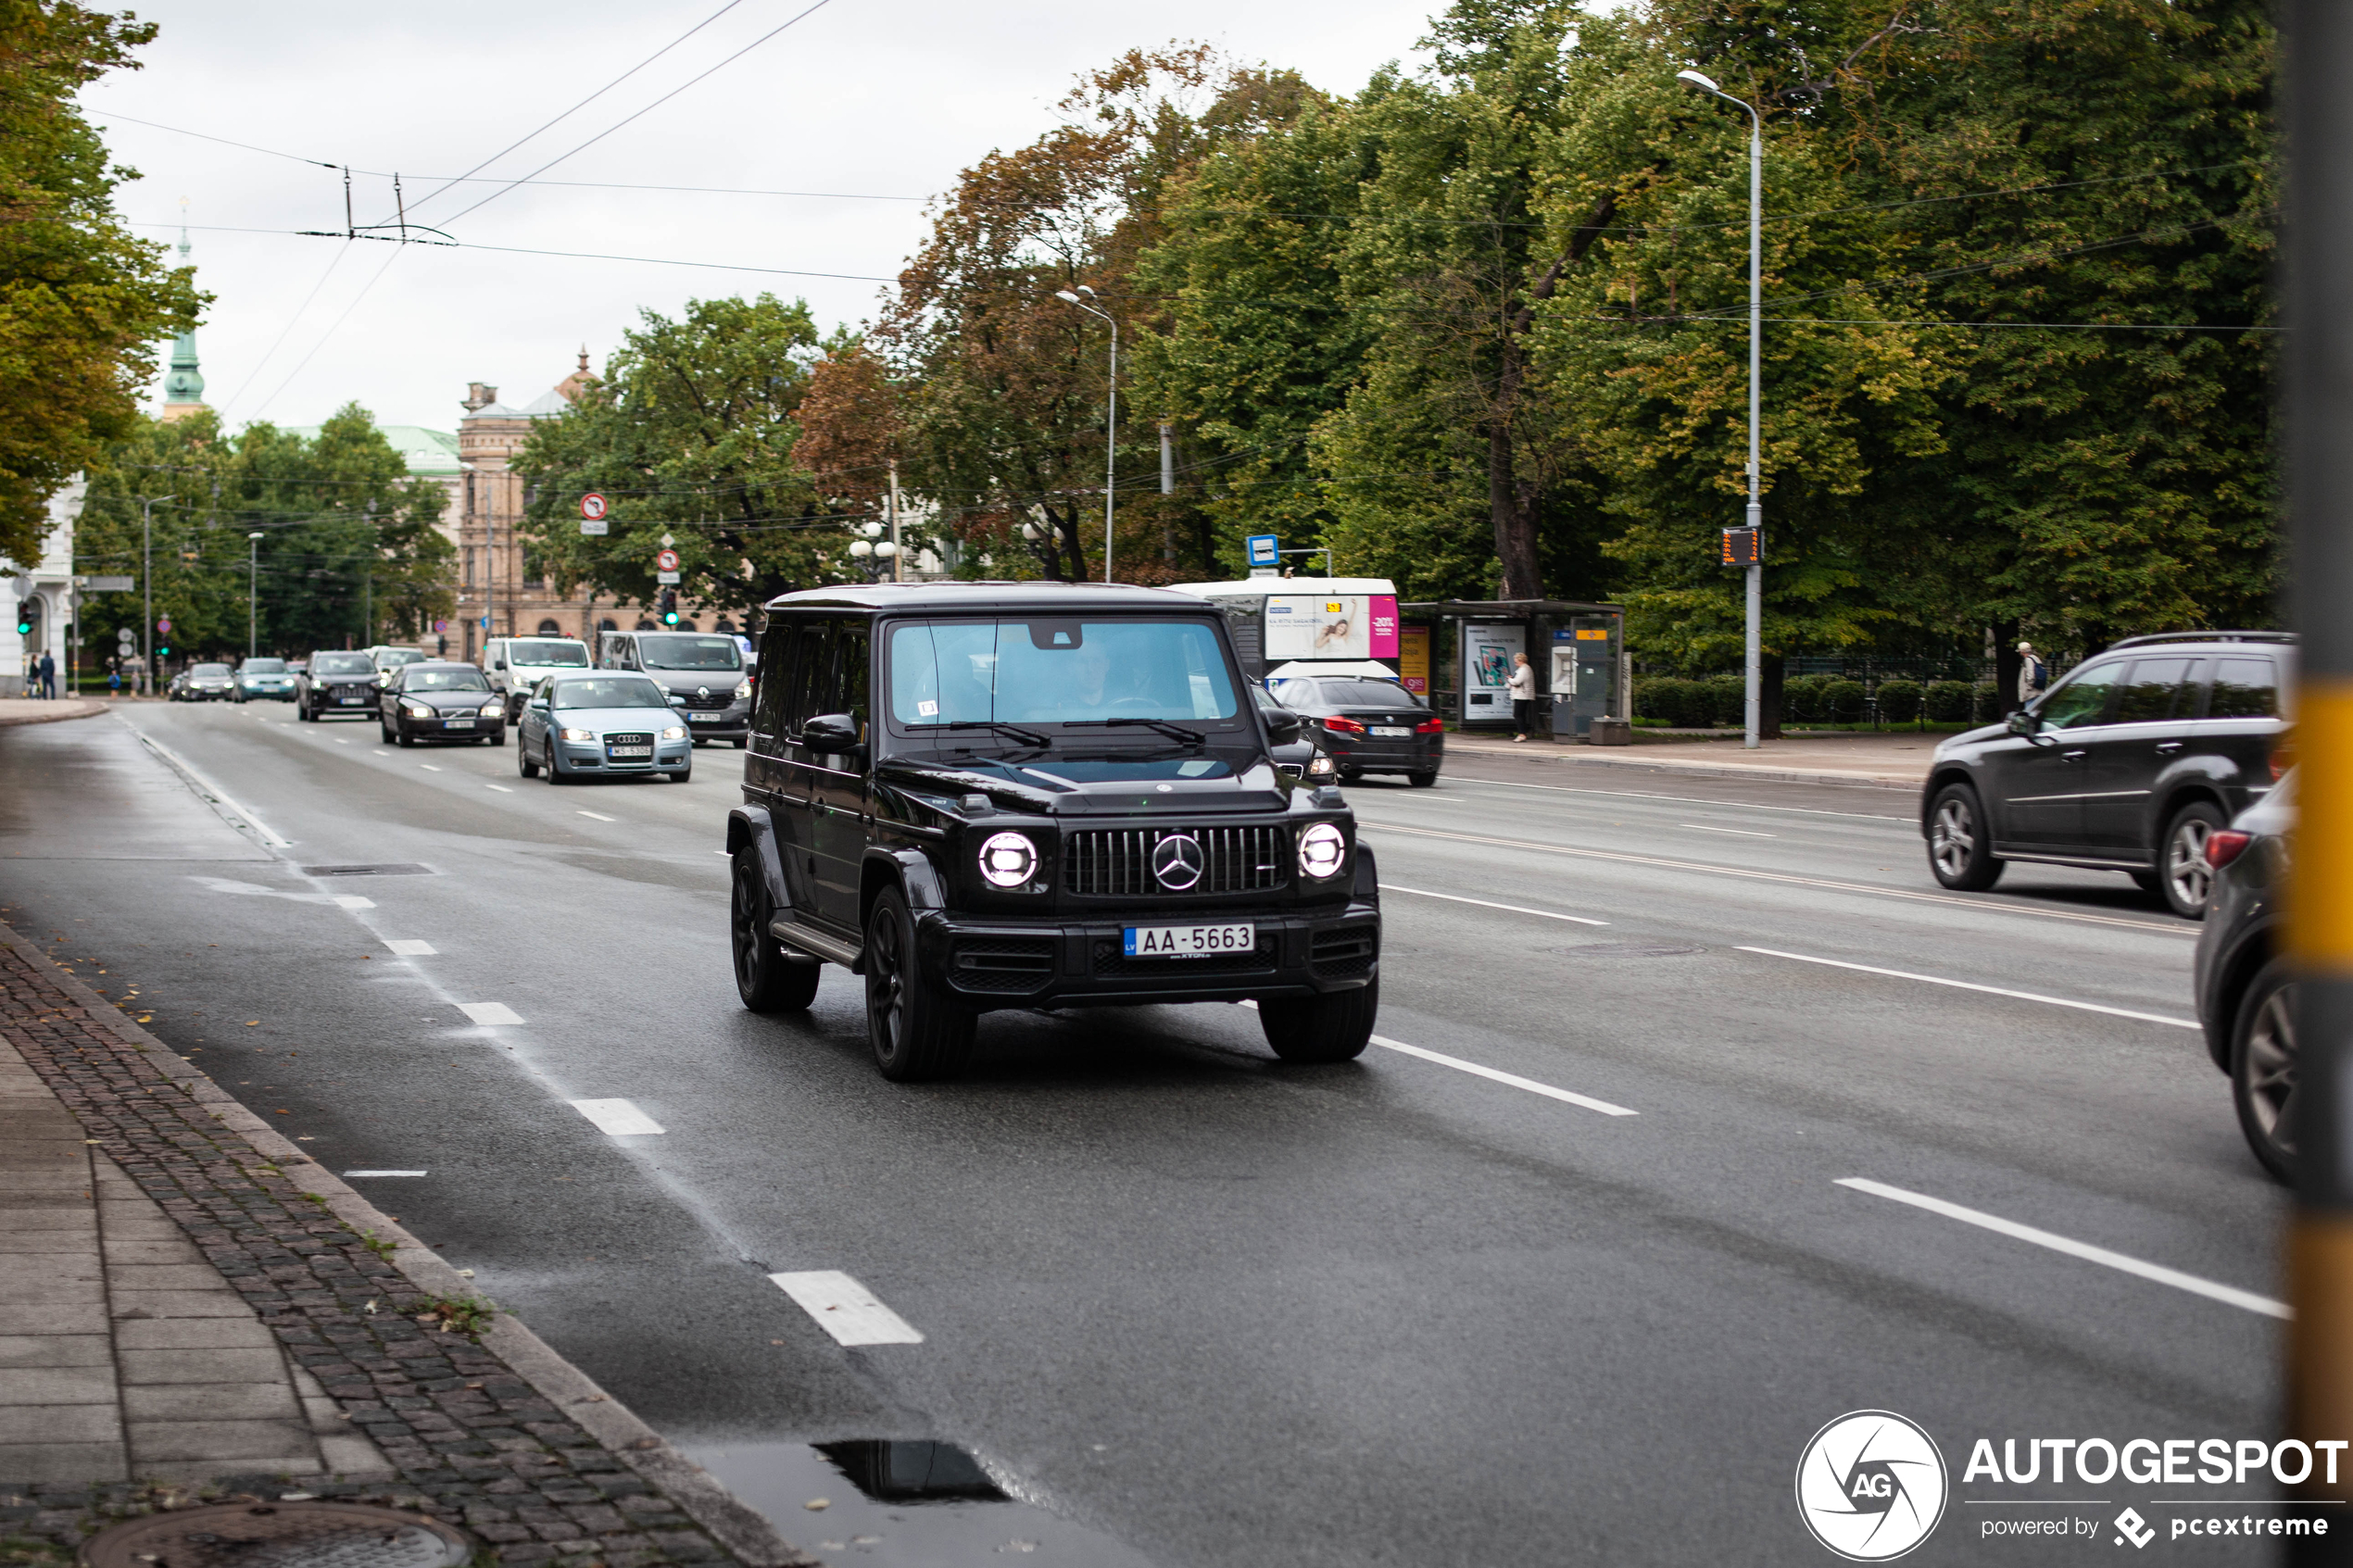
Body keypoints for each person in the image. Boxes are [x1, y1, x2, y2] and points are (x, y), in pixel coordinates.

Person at [1507, 650, 1537, 741]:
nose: (1515, 662)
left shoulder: (1524, 669)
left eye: (1516, 660)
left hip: (1522, 695)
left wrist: (1509, 679)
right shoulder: (1525, 669)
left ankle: (1522, 734)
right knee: (1521, 715)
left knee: (1518, 714)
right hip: (1523, 694)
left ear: (1521, 660)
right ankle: (1523, 732)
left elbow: (1517, 681)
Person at [2017, 641, 2047, 709]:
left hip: (2031, 694)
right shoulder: (2035, 658)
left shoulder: (2028, 660)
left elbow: (2031, 676)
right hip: (2038, 691)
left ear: (2022, 652)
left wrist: (2028, 688)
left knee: (2029, 714)